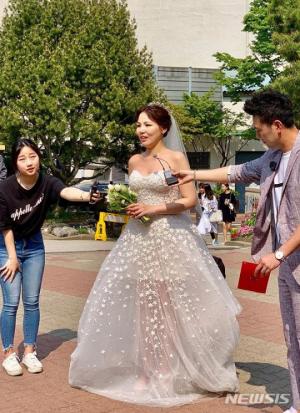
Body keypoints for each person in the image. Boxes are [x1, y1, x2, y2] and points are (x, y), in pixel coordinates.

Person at [69, 103, 240, 407]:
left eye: (147, 125)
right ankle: (147, 370)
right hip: (138, 239)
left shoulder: (177, 159)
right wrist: (126, 204)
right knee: (144, 306)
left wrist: (154, 209)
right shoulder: (134, 160)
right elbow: (135, 197)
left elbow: (188, 201)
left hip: (171, 238)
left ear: (163, 128)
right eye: (138, 125)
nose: (141, 130)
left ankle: (167, 370)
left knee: (167, 306)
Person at [175, 89, 300, 413]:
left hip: (288, 258)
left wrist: (280, 254)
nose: (257, 135)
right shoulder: (272, 159)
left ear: (276, 124)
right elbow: (235, 173)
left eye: (259, 130)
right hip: (286, 265)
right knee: (292, 337)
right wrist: (194, 174)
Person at [0, 139, 100, 376]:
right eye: (22, 158)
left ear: (39, 157)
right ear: (15, 163)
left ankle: (30, 352)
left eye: (32, 156)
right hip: (7, 247)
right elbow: (4, 227)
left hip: (35, 246)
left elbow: (66, 191)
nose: (29, 162)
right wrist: (12, 257)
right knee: (12, 303)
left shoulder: (47, 182)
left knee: (32, 301)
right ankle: (8, 353)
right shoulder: (4, 188)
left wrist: (88, 197)